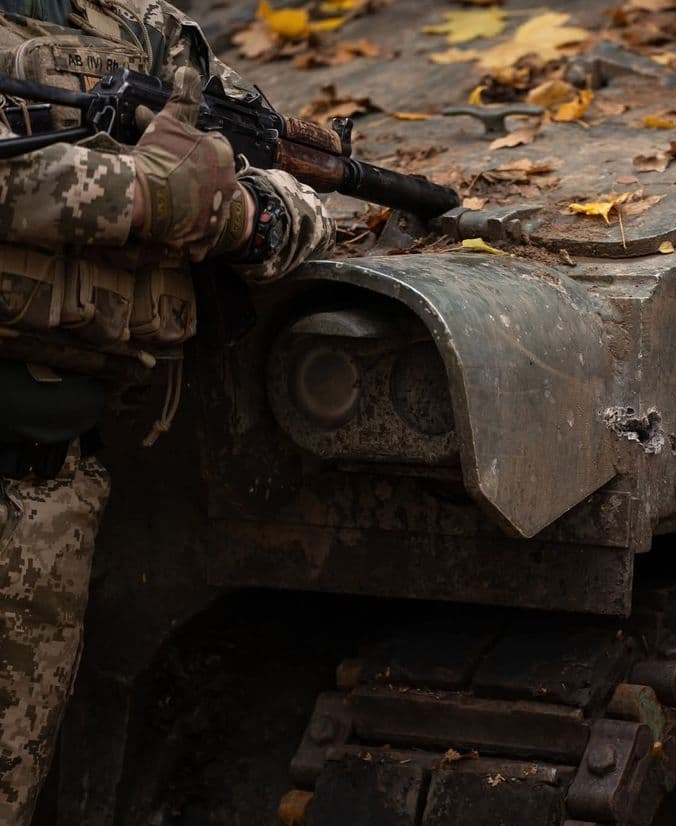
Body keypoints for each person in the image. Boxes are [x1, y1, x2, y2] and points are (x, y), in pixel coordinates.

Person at [0, 1, 335, 821]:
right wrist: (145, 196)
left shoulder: (143, 29)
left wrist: (244, 216)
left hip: (45, 501)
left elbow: (280, 184)